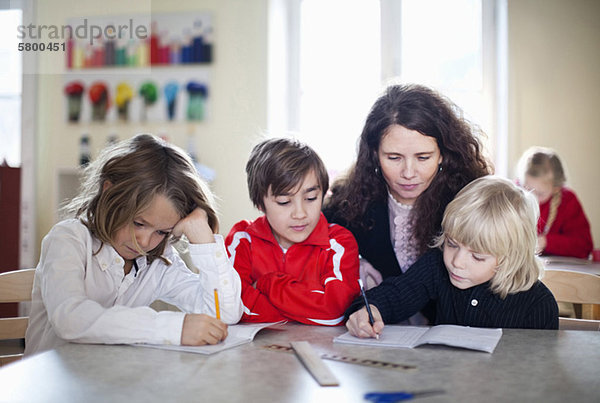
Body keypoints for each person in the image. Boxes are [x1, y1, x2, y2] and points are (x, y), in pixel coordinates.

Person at [25, 134, 243, 356]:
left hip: (109, 382)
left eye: (161, 231)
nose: (145, 242)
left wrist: (204, 241)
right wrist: (174, 328)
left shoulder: (159, 260)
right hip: (52, 384)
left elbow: (222, 314)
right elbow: (71, 319)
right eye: (139, 223)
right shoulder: (68, 239)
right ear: (108, 191)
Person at [323, 84, 491, 324]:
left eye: (423, 158)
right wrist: (354, 261)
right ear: (374, 155)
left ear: (443, 153)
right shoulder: (350, 202)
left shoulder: (471, 201)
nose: (408, 173)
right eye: (394, 158)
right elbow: (312, 235)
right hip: (380, 344)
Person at [345, 176, 559, 337]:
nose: (456, 262)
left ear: (509, 258)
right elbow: (396, 294)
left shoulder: (538, 304)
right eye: (452, 244)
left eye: (477, 256)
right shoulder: (437, 267)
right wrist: (369, 309)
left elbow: (537, 371)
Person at [225, 138, 360, 325]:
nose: (300, 213)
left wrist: (267, 284)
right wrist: (303, 308)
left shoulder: (338, 242)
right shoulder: (242, 239)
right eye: (284, 202)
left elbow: (334, 311)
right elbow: (229, 308)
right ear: (260, 203)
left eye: (311, 198)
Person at [516, 146, 593, 259]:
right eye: (527, 189)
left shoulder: (567, 201)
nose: (532, 197)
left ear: (556, 188)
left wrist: (546, 242)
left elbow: (584, 246)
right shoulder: (513, 193)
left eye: (540, 194)